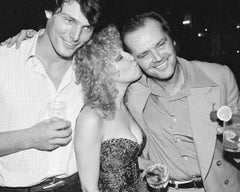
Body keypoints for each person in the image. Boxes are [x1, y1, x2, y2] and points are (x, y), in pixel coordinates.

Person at [120, 11, 240, 192]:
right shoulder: (131, 92)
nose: (158, 57)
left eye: (160, 44)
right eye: (144, 54)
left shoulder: (220, 77)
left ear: (172, 40)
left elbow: (236, 138)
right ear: (134, 60)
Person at [0, 0, 101, 191]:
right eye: (69, 20)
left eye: (86, 27)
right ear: (48, 12)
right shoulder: (5, 60)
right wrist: (28, 137)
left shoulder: (93, 67)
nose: (75, 36)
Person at [73, 24, 148, 192]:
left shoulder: (124, 105)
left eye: (124, 52)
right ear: (102, 71)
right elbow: (88, 187)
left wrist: (150, 166)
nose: (131, 57)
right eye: (119, 58)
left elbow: (121, 161)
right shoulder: (92, 117)